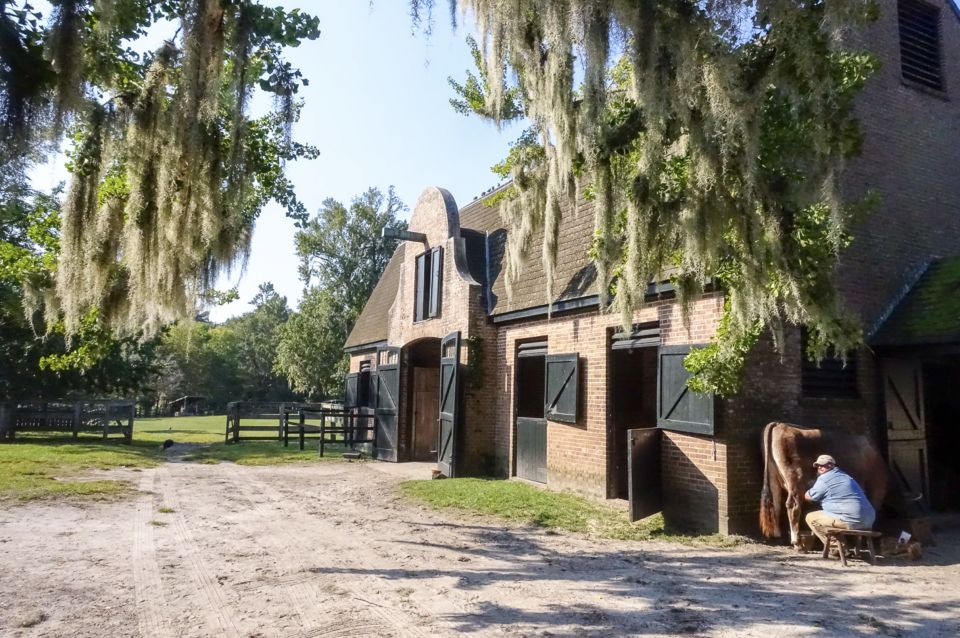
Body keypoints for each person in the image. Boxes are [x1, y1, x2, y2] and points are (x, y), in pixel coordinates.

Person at [804, 454, 876, 549]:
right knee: (834, 515)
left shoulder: (824, 478)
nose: (820, 467)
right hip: (869, 520)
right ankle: (842, 546)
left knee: (811, 517)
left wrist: (805, 491)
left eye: (823, 465)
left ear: (831, 465)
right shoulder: (846, 476)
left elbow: (810, 497)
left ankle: (837, 548)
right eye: (818, 465)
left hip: (852, 520)